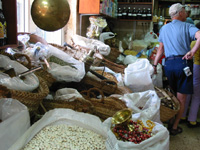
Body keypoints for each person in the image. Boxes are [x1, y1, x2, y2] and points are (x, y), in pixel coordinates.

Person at [153, 3, 200, 135]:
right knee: (181, 99)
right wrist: (193, 51)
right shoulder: (188, 26)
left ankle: (170, 119)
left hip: (168, 65)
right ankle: (174, 127)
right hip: (183, 64)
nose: (186, 14)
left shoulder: (164, 28)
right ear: (180, 13)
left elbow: (160, 49)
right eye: (185, 11)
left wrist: (155, 65)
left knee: (171, 96)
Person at [181, 22, 200, 128]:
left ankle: (183, 115)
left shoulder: (191, 42)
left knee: (188, 92)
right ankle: (192, 120)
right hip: (198, 67)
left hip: (190, 67)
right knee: (197, 95)